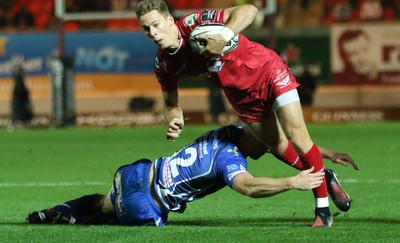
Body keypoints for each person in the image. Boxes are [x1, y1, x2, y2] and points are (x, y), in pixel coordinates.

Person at [135, 0, 357, 227]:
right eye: (146, 28)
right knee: (277, 146)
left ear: (170, 20)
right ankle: (324, 175)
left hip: (267, 69)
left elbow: (249, 10)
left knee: (297, 135)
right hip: (241, 96)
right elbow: (171, 105)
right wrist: (174, 120)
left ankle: (322, 210)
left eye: (156, 24)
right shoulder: (164, 65)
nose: (152, 32)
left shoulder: (193, 24)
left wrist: (223, 36)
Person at [26, 125, 358, 227]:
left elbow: (282, 142)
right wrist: (292, 182)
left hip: (135, 171)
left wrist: (323, 154)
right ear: (253, 137)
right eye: (268, 144)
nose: (272, 148)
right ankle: (75, 224)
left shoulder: (226, 133)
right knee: (116, 217)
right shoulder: (229, 158)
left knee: (104, 201)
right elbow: (247, 187)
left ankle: (55, 210)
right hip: (145, 202)